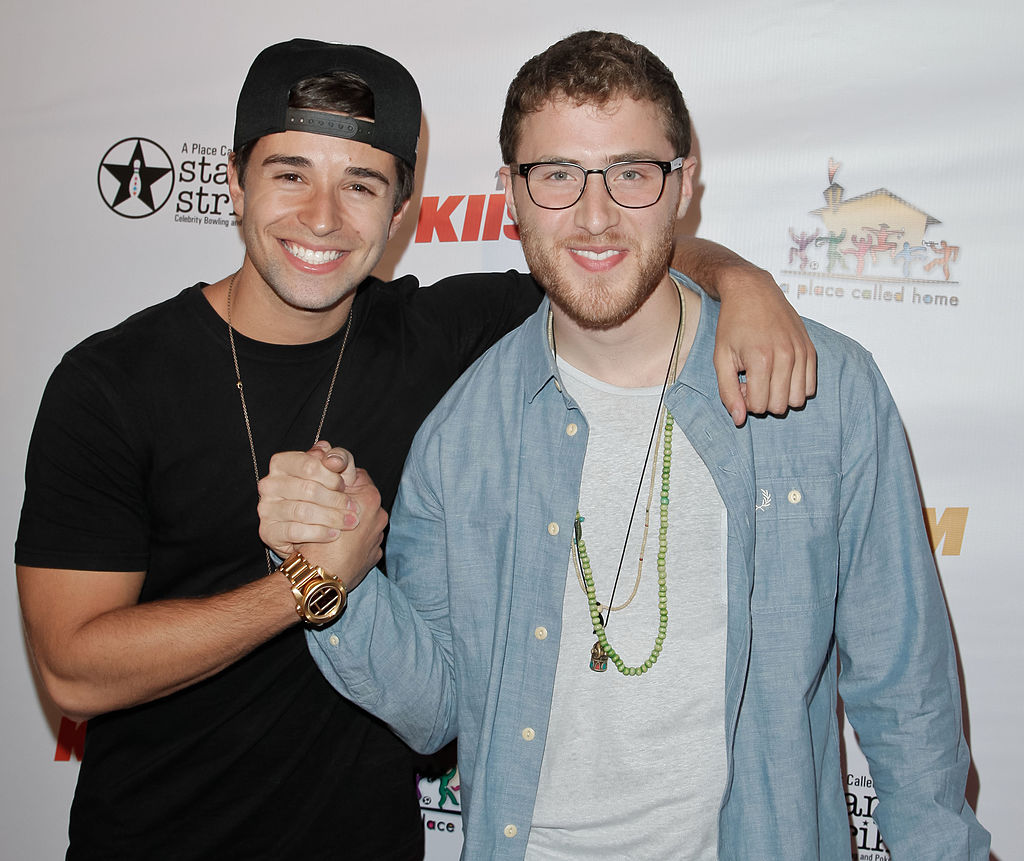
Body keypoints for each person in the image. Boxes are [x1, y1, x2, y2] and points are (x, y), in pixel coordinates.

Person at [14, 38, 815, 860]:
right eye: (290, 173)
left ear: (401, 212)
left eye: (360, 184)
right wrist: (314, 584)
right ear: (233, 179)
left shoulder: (445, 339)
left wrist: (743, 281)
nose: (322, 217)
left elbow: (608, 251)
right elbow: (73, 668)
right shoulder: (113, 382)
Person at [267, 31, 990, 860]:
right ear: (511, 192)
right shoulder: (463, 436)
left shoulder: (824, 394)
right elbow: (438, 709)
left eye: (632, 174)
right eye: (558, 176)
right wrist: (332, 577)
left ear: (684, 188)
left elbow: (907, 694)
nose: (596, 215)